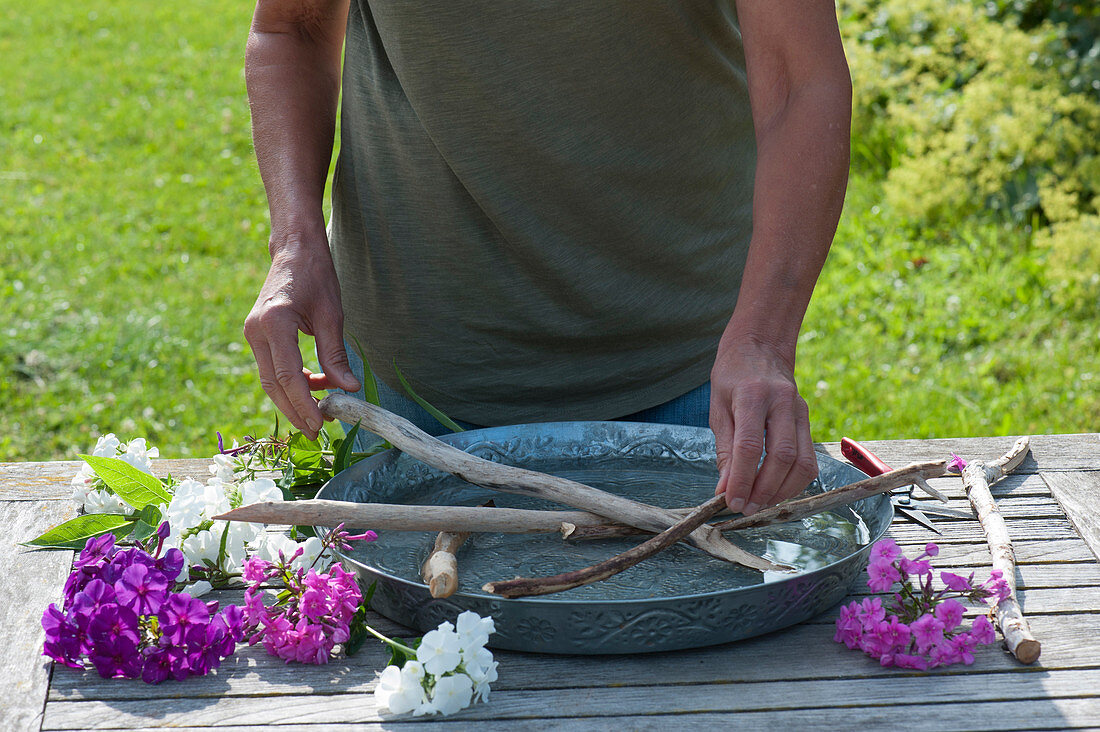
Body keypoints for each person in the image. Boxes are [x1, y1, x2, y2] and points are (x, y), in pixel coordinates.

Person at [242, 0, 852, 517]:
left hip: (694, 382)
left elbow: (802, 81)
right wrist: (295, 240)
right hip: (412, 386)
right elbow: (293, 25)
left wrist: (764, 339)